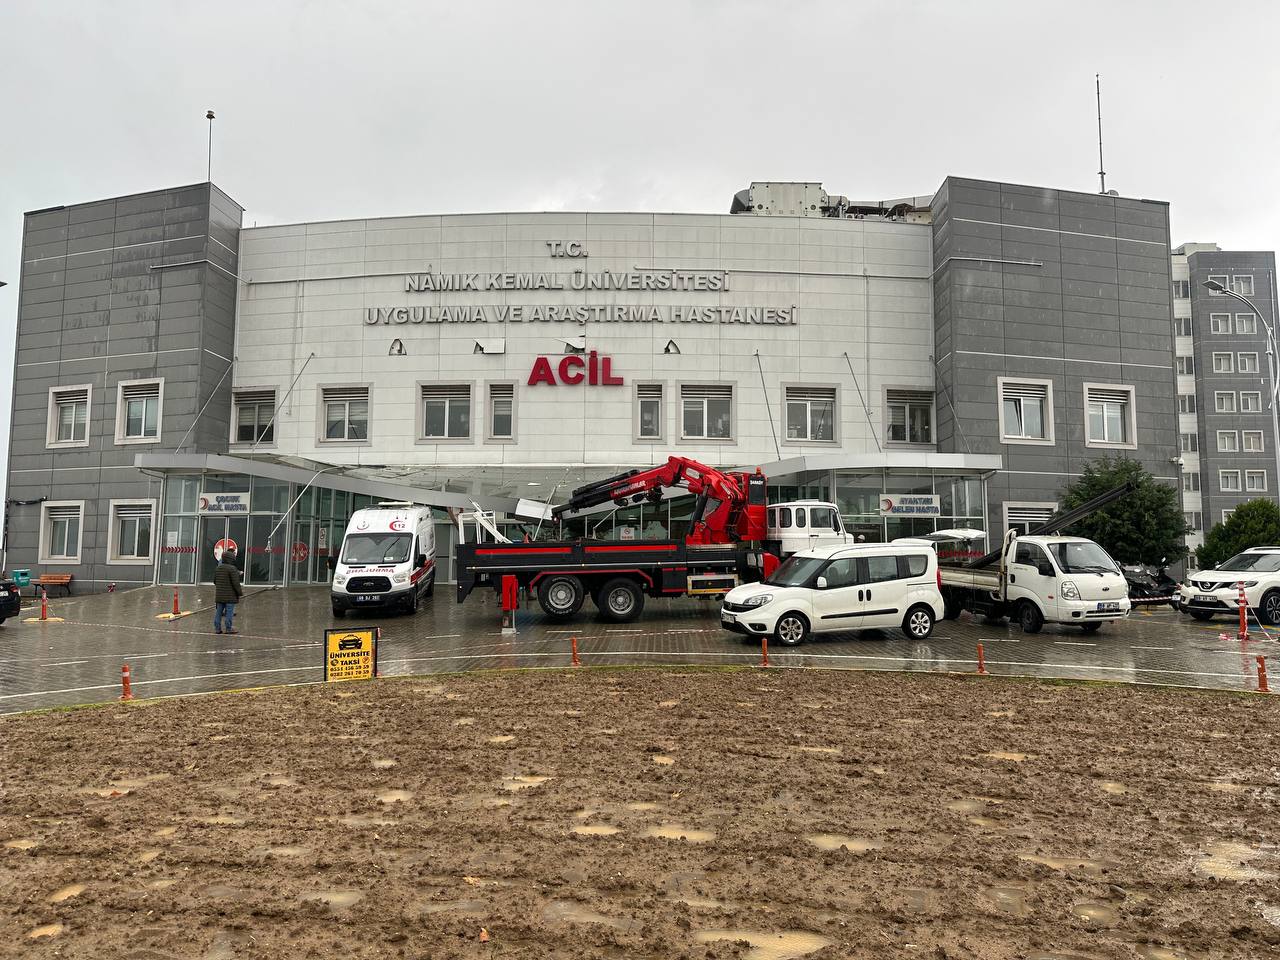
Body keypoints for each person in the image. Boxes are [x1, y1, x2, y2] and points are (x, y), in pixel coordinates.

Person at [213, 548, 243, 635]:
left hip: (219, 595)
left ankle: (217, 628)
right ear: (231, 559)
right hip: (230, 596)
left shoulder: (218, 568)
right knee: (229, 612)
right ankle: (228, 628)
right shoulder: (232, 569)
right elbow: (236, 583)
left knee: (219, 612)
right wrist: (239, 593)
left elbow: (214, 581)